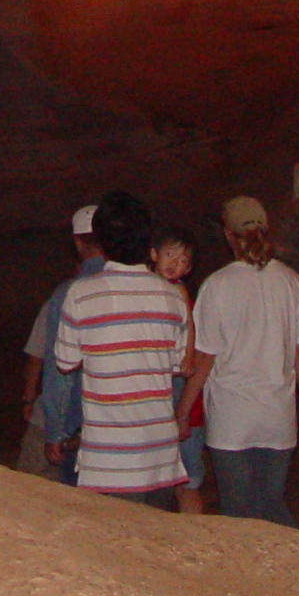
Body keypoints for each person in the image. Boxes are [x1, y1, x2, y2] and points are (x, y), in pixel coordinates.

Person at [191, 195, 299, 526]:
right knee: (268, 505)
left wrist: (182, 410)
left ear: (227, 234)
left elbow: (205, 358)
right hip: (277, 417)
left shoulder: (217, 285)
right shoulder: (291, 281)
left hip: (231, 420)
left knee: (238, 513)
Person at [54, 191, 190, 505]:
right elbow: (176, 364)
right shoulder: (172, 297)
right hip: (159, 456)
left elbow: (65, 361)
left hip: (108, 461)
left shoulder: (81, 294)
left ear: (101, 240)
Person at [17, 203, 104, 482]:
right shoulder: (144, 286)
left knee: (33, 487)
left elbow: (57, 365)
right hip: (115, 422)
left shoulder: (68, 293)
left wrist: (55, 428)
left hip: (72, 417)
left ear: (77, 243)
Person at [152, 232, 211, 515]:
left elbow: (190, 327)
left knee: (187, 480)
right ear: (154, 255)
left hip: (175, 374)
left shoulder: (180, 291)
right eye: (170, 256)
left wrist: (187, 356)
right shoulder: (145, 287)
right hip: (154, 377)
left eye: (182, 261)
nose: (174, 264)